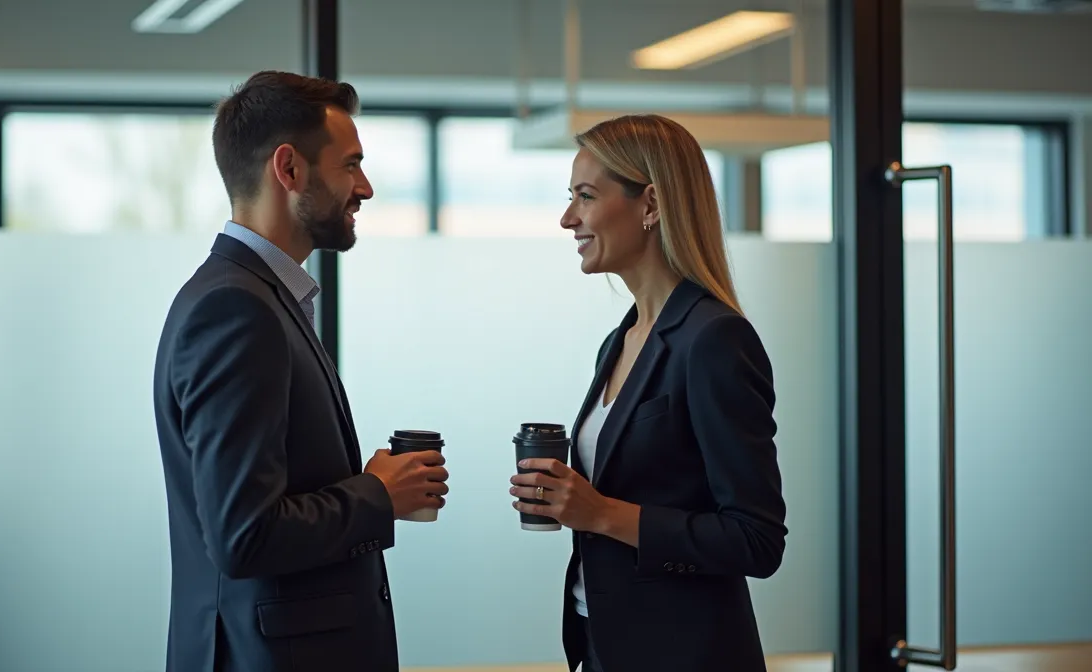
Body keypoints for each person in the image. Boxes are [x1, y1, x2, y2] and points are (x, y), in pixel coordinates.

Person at [153, 70, 450, 672]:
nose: (365, 188)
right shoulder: (235, 308)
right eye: (351, 165)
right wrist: (377, 494)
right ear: (288, 169)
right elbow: (245, 535)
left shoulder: (257, 297)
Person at [508, 114, 788, 672]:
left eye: (586, 196)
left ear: (651, 204)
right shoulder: (622, 340)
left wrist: (601, 513)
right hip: (603, 643)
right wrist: (565, 498)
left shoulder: (714, 338)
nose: (568, 218)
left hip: (684, 655)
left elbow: (756, 540)